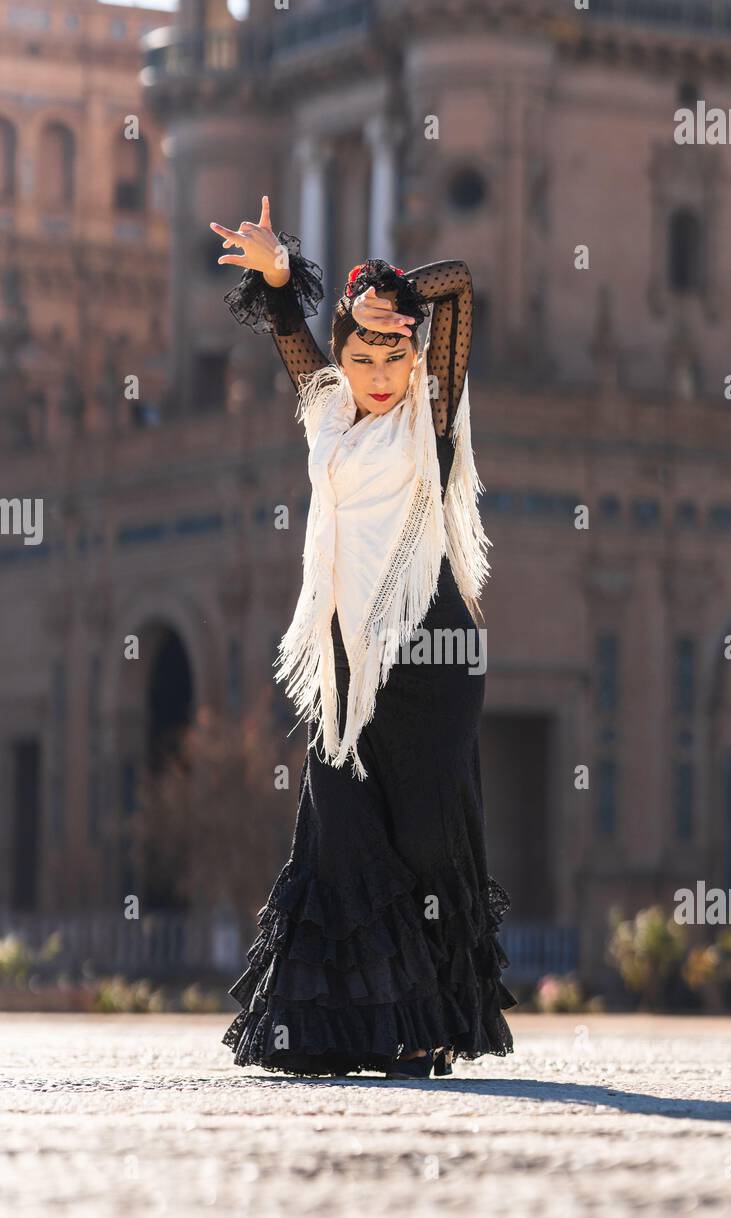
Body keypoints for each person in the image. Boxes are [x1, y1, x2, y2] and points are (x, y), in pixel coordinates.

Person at [211, 195, 517, 1080]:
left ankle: (421, 1029)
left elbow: (457, 289)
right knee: (341, 829)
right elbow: (284, 325)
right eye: (360, 350)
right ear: (339, 356)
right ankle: (340, 1028)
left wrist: (386, 293)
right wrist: (280, 277)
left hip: (432, 654)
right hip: (349, 665)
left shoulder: (436, 416)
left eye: (394, 350)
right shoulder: (328, 411)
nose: (379, 369)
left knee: (422, 838)